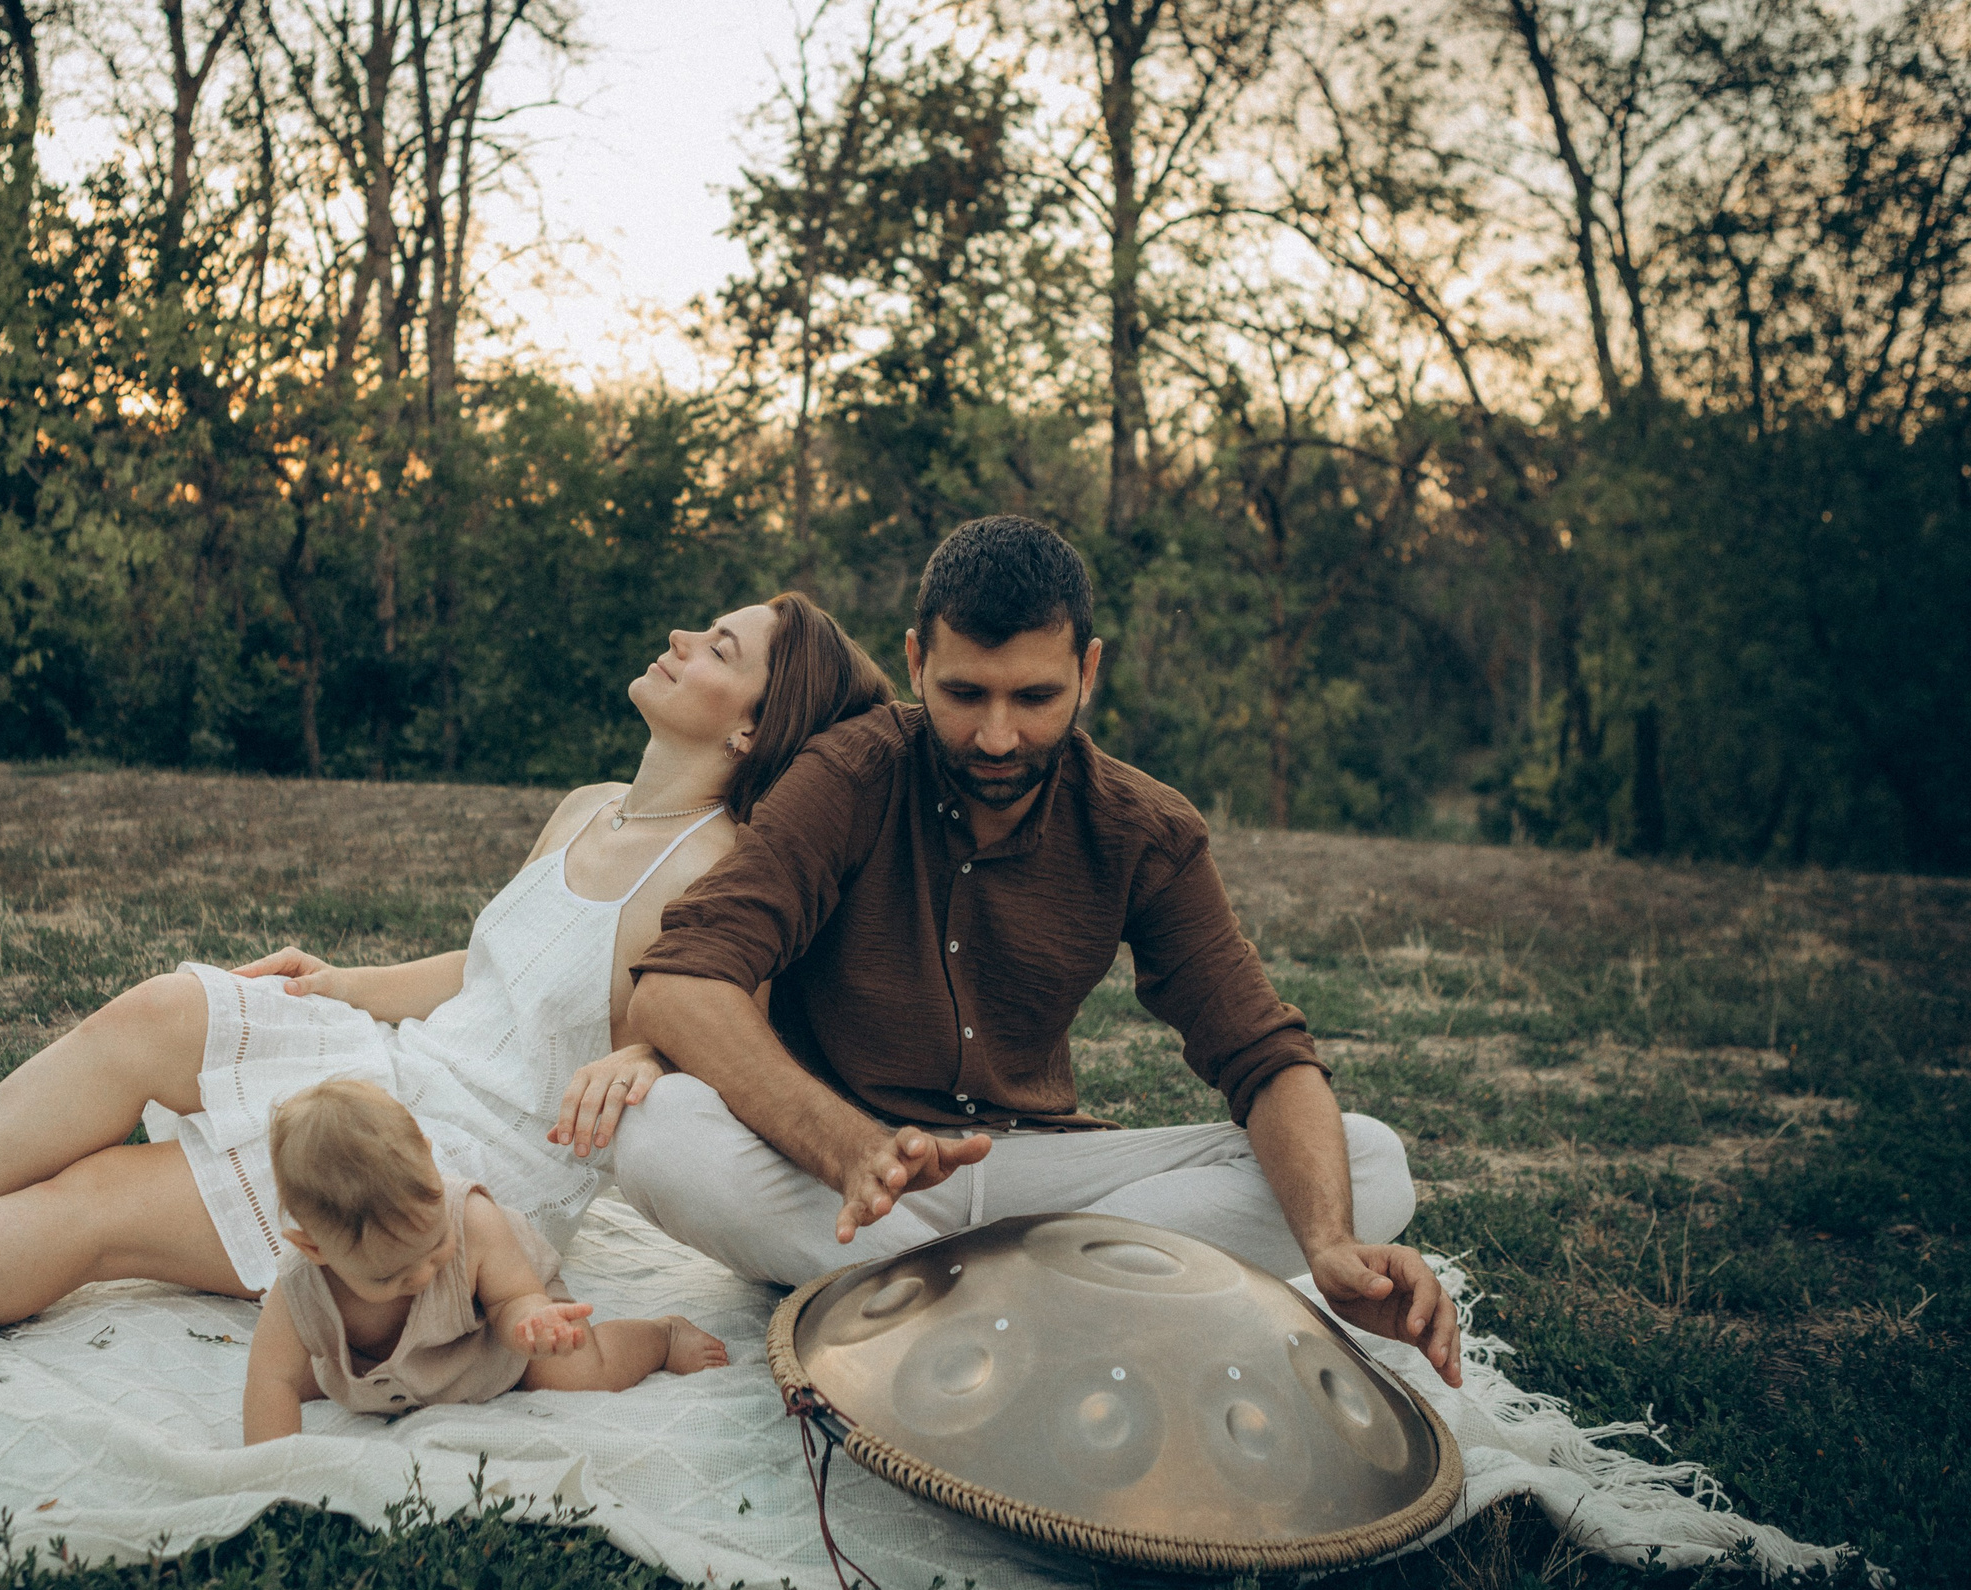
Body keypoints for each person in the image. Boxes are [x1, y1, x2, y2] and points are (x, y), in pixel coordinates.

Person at [0, 592, 896, 1390]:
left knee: (102, 1204)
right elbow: (490, 966)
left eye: (725, 648)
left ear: (761, 717)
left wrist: (646, 1061)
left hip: (465, 1161)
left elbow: (696, 1022)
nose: (684, 636)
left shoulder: (718, 869)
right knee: (162, 1009)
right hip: (413, 1054)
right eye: (703, 622)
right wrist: (336, 980)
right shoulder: (588, 803)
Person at [596, 517, 1465, 1386]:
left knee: (1366, 1161)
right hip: (856, 1184)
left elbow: (1266, 1057)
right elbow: (676, 988)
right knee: (657, 1132)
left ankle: (948, 1298)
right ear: (915, 664)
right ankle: (1054, 1302)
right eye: (966, 694)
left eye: (1035, 697)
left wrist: (1331, 1246)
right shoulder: (848, 771)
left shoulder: (1145, 827)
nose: (999, 737)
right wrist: (852, 1148)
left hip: (1045, 1179)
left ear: (1087, 671)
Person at [240, 1079, 726, 1444]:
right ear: (314, 1249)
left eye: (434, 1247)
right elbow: (269, 1379)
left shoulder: (471, 1221)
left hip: (495, 1333)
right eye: (389, 1274)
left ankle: (662, 1337)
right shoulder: (301, 1287)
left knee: (575, 1372)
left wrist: (531, 1324)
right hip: (387, 1373)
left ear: (431, 1161)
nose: (423, 1275)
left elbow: (515, 1296)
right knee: (295, 1379)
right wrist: (274, 1477)